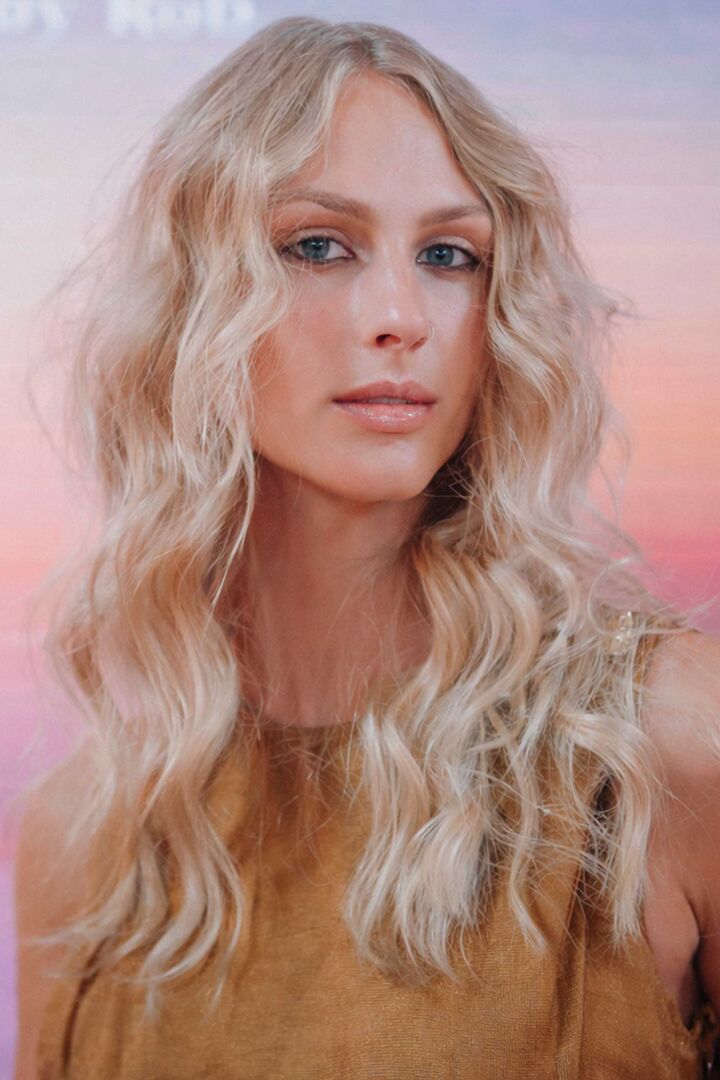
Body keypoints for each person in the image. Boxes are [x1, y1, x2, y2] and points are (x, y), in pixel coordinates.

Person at [13, 16, 720, 1079]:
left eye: (449, 256)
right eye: (318, 246)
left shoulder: (662, 747)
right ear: (192, 305)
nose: (401, 316)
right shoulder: (84, 838)